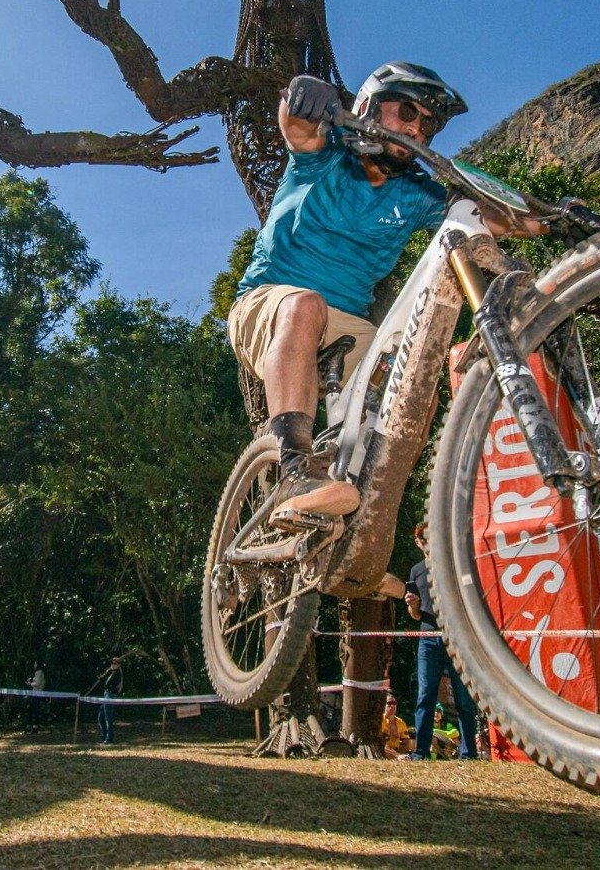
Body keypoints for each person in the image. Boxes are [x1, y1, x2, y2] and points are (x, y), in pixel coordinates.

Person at [226, 64, 545, 531]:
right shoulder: (326, 154)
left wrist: (551, 218)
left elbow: (498, 220)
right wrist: (302, 94)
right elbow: (296, 127)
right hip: (269, 304)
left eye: (428, 124)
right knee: (305, 305)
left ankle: (365, 520)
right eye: (407, 112)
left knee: (414, 384)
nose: (417, 128)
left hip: (349, 327)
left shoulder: (416, 192)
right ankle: (295, 473)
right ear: (369, 107)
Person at [402, 521, 480, 760]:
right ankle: (420, 753)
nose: (428, 542)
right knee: (425, 695)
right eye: (423, 539)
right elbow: (416, 616)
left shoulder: (454, 564)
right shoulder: (416, 571)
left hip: (456, 638)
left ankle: (468, 754)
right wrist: (412, 607)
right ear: (418, 543)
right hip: (428, 638)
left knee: (464, 698)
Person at [96, 657, 123, 745]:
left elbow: (108, 683)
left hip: (110, 696)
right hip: (106, 695)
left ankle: (109, 739)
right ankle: (103, 736)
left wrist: (107, 673)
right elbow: (103, 681)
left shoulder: (117, 674)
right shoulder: (111, 672)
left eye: (115, 663)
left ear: (118, 665)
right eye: (111, 663)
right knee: (101, 717)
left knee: (108, 718)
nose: (112, 664)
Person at [23, 660, 46, 733]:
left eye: (35, 663)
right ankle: (29, 726)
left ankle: (35, 727)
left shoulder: (39, 672)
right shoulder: (37, 673)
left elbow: (38, 683)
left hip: (37, 694)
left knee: (34, 710)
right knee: (30, 709)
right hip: (34, 693)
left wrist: (30, 684)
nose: (34, 665)